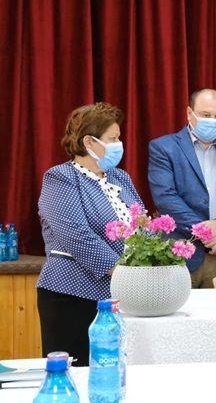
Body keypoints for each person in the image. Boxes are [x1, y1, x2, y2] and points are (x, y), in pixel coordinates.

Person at [37, 103, 142, 365]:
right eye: (113, 139)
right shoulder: (60, 178)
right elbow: (77, 235)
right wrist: (124, 271)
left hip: (119, 297)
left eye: (119, 138)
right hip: (72, 297)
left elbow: (140, 225)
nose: (119, 144)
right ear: (89, 142)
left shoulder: (120, 178)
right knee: (77, 374)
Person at [148, 88, 216, 288]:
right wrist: (207, 233)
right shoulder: (163, 147)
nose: (212, 121)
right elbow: (165, 197)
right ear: (189, 113)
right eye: (206, 115)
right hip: (180, 257)